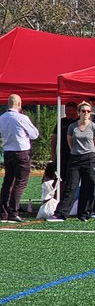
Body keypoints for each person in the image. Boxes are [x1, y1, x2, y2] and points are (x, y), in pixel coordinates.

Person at [54, 101, 95, 222]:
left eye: (88, 111)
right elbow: (70, 141)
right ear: (79, 112)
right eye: (83, 111)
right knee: (71, 186)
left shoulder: (94, 127)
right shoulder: (72, 126)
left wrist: (89, 152)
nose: (86, 113)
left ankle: (84, 214)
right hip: (75, 158)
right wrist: (75, 151)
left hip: (90, 158)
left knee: (89, 186)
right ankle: (61, 213)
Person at [0, 94, 39, 223]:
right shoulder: (22, 118)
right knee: (21, 182)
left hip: (8, 152)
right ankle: (13, 211)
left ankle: (3, 211)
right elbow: (34, 134)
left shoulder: (2, 118)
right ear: (19, 104)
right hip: (21, 152)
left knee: (8, 181)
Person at [49, 102, 78, 181]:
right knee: (60, 178)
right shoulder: (62, 122)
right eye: (66, 110)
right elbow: (54, 139)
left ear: (76, 110)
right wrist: (53, 155)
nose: (66, 112)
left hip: (76, 155)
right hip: (62, 155)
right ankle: (60, 193)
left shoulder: (80, 122)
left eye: (69, 110)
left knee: (73, 179)